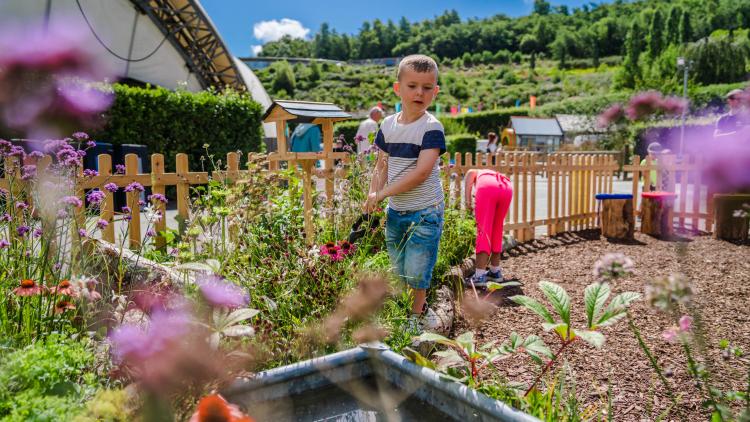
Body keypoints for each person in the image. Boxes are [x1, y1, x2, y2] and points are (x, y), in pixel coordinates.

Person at [363, 54, 446, 334]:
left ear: (435, 91)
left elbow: (421, 173)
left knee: (417, 268)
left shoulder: (432, 128)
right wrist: (373, 192)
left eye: (426, 87)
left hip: (425, 212)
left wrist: (382, 194)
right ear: (398, 89)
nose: (419, 93)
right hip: (396, 210)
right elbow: (382, 164)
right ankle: (408, 309)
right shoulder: (387, 125)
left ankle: (415, 318)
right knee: (398, 266)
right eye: (412, 86)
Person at [463, 169, 513, 288]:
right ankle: (495, 272)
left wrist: (468, 202)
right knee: (497, 229)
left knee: (483, 230)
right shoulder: (492, 173)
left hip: (487, 188)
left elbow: (468, 191)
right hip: (507, 187)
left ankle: (479, 275)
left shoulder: (472, 172)